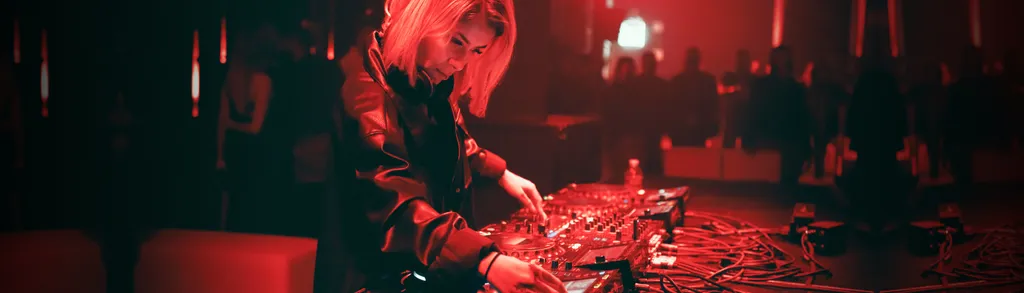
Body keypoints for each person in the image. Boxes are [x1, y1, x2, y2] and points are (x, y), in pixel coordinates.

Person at [318, 1, 565, 292]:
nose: (460, 62)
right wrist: (485, 261)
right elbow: (397, 208)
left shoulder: (422, 82)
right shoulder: (367, 100)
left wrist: (499, 172)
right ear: (420, 20)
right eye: (456, 40)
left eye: (476, 50)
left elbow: (447, 139)